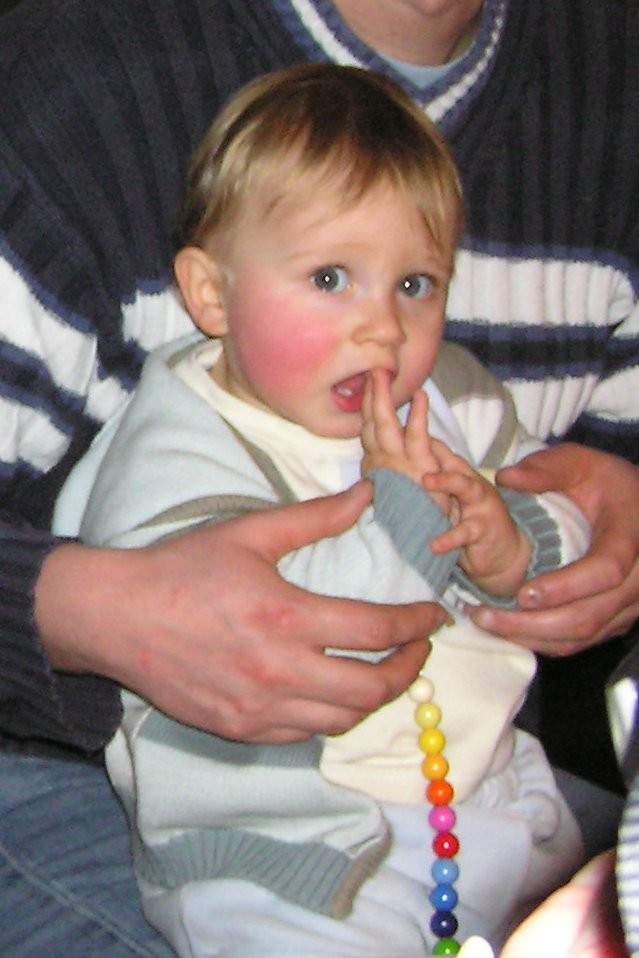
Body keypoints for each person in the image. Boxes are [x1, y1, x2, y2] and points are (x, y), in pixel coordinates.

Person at [0, 0, 637, 954]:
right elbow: (291, 619)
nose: (383, 327)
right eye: (331, 280)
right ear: (208, 293)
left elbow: (539, 506)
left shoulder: (449, 394)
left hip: (486, 795)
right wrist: (411, 512)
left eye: (415, 286)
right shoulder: (182, 435)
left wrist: (533, 543)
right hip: (270, 839)